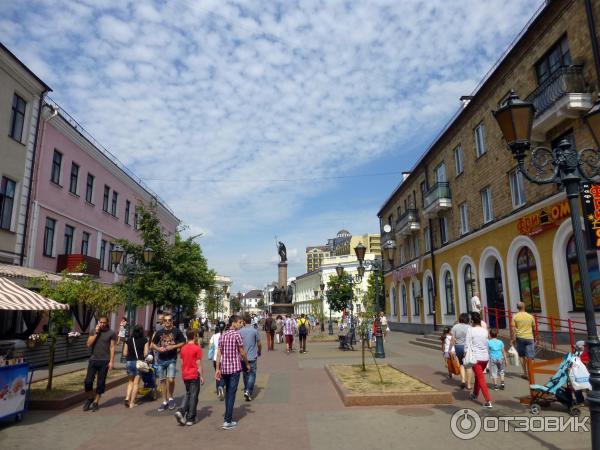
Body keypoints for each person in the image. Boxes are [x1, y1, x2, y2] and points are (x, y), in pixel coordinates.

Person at [215, 315, 251, 430]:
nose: (241, 324)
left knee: (228, 394)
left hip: (224, 368)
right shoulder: (237, 335)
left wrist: (217, 369)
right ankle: (228, 420)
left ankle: (221, 385)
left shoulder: (223, 335)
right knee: (231, 394)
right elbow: (242, 352)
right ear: (233, 323)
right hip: (234, 368)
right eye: (239, 322)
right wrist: (247, 364)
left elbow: (219, 353)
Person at [151, 313, 186, 411]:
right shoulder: (159, 332)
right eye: (165, 320)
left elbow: (183, 342)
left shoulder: (176, 331)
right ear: (163, 322)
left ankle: (170, 398)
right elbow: (152, 344)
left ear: (172, 321)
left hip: (171, 359)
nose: (167, 322)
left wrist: (173, 346)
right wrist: (158, 349)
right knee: (162, 380)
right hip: (161, 359)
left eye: (169, 320)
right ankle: (164, 401)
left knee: (170, 379)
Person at [83, 316, 116, 412]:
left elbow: (112, 347)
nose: (102, 324)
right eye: (100, 322)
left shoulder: (112, 333)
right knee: (88, 382)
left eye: (104, 322)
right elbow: (88, 344)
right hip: (93, 359)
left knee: (100, 383)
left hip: (104, 360)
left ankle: (96, 402)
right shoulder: (94, 331)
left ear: (107, 322)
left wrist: (111, 361)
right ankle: (90, 398)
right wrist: (96, 333)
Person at [175, 329, 204, 426]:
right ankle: (189, 417)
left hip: (185, 374)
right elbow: (198, 363)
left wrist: (183, 372)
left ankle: (183, 412)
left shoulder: (183, 348)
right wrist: (202, 376)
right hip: (194, 374)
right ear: (195, 336)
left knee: (188, 394)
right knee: (193, 396)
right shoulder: (197, 348)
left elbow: (182, 363)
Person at [466, 312, 492, 408]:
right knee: (478, 376)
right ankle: (475, 394)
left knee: (480, 379)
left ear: (472, 321)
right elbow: (487, 343)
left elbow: (467, 344)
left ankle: (488, 401)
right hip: (485, 358)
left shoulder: (470, 330)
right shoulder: (484, 331)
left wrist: (465, 354)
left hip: (475, 358)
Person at [123, 324, 149, 408]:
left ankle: (127, 398)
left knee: (130, 382)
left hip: (129, 362)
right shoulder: (145, 340)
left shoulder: (129, 340)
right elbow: (146, 354)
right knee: (136, 383)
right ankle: (132, 403)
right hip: (138, 362)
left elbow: (124, 353)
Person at [511, 301, 536, 379]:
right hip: (529, 337)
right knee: (530, 357)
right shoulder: (530, 316)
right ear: (524, 307)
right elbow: (534, 328)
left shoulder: (515, 317)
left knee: (522, 356)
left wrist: (513, 339)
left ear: (517, 308)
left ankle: (525, 373)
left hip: (520, 338)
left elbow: (513, 329)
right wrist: (535, 337)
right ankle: (531, 372)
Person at [239, 314, 261, 401]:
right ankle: (248, 390)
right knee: (252, 374)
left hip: (242, 357)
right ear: (250, 321)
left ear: (244, 322)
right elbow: (259, 343)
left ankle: (246, 389)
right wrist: (259, 351)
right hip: (252, 356)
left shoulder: (239, 331)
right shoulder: (254, 331)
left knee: (245, 373)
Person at [451, 313, 472, 389]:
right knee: (469, 366)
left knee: (461, 364)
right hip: (467, 348)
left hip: (458, 347)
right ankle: (469, 384)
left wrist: (450, 349)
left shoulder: (455, 327)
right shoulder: (470, 327)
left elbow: (453, 339)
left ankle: (463, 381)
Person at [209, 321, 225, 400]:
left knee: (217, 373)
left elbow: (210, 346)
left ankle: (218, 388)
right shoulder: (226, 335)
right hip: (224, 358)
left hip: (215, 358)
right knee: (225, 374)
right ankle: (222, 386)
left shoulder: (214, 336)